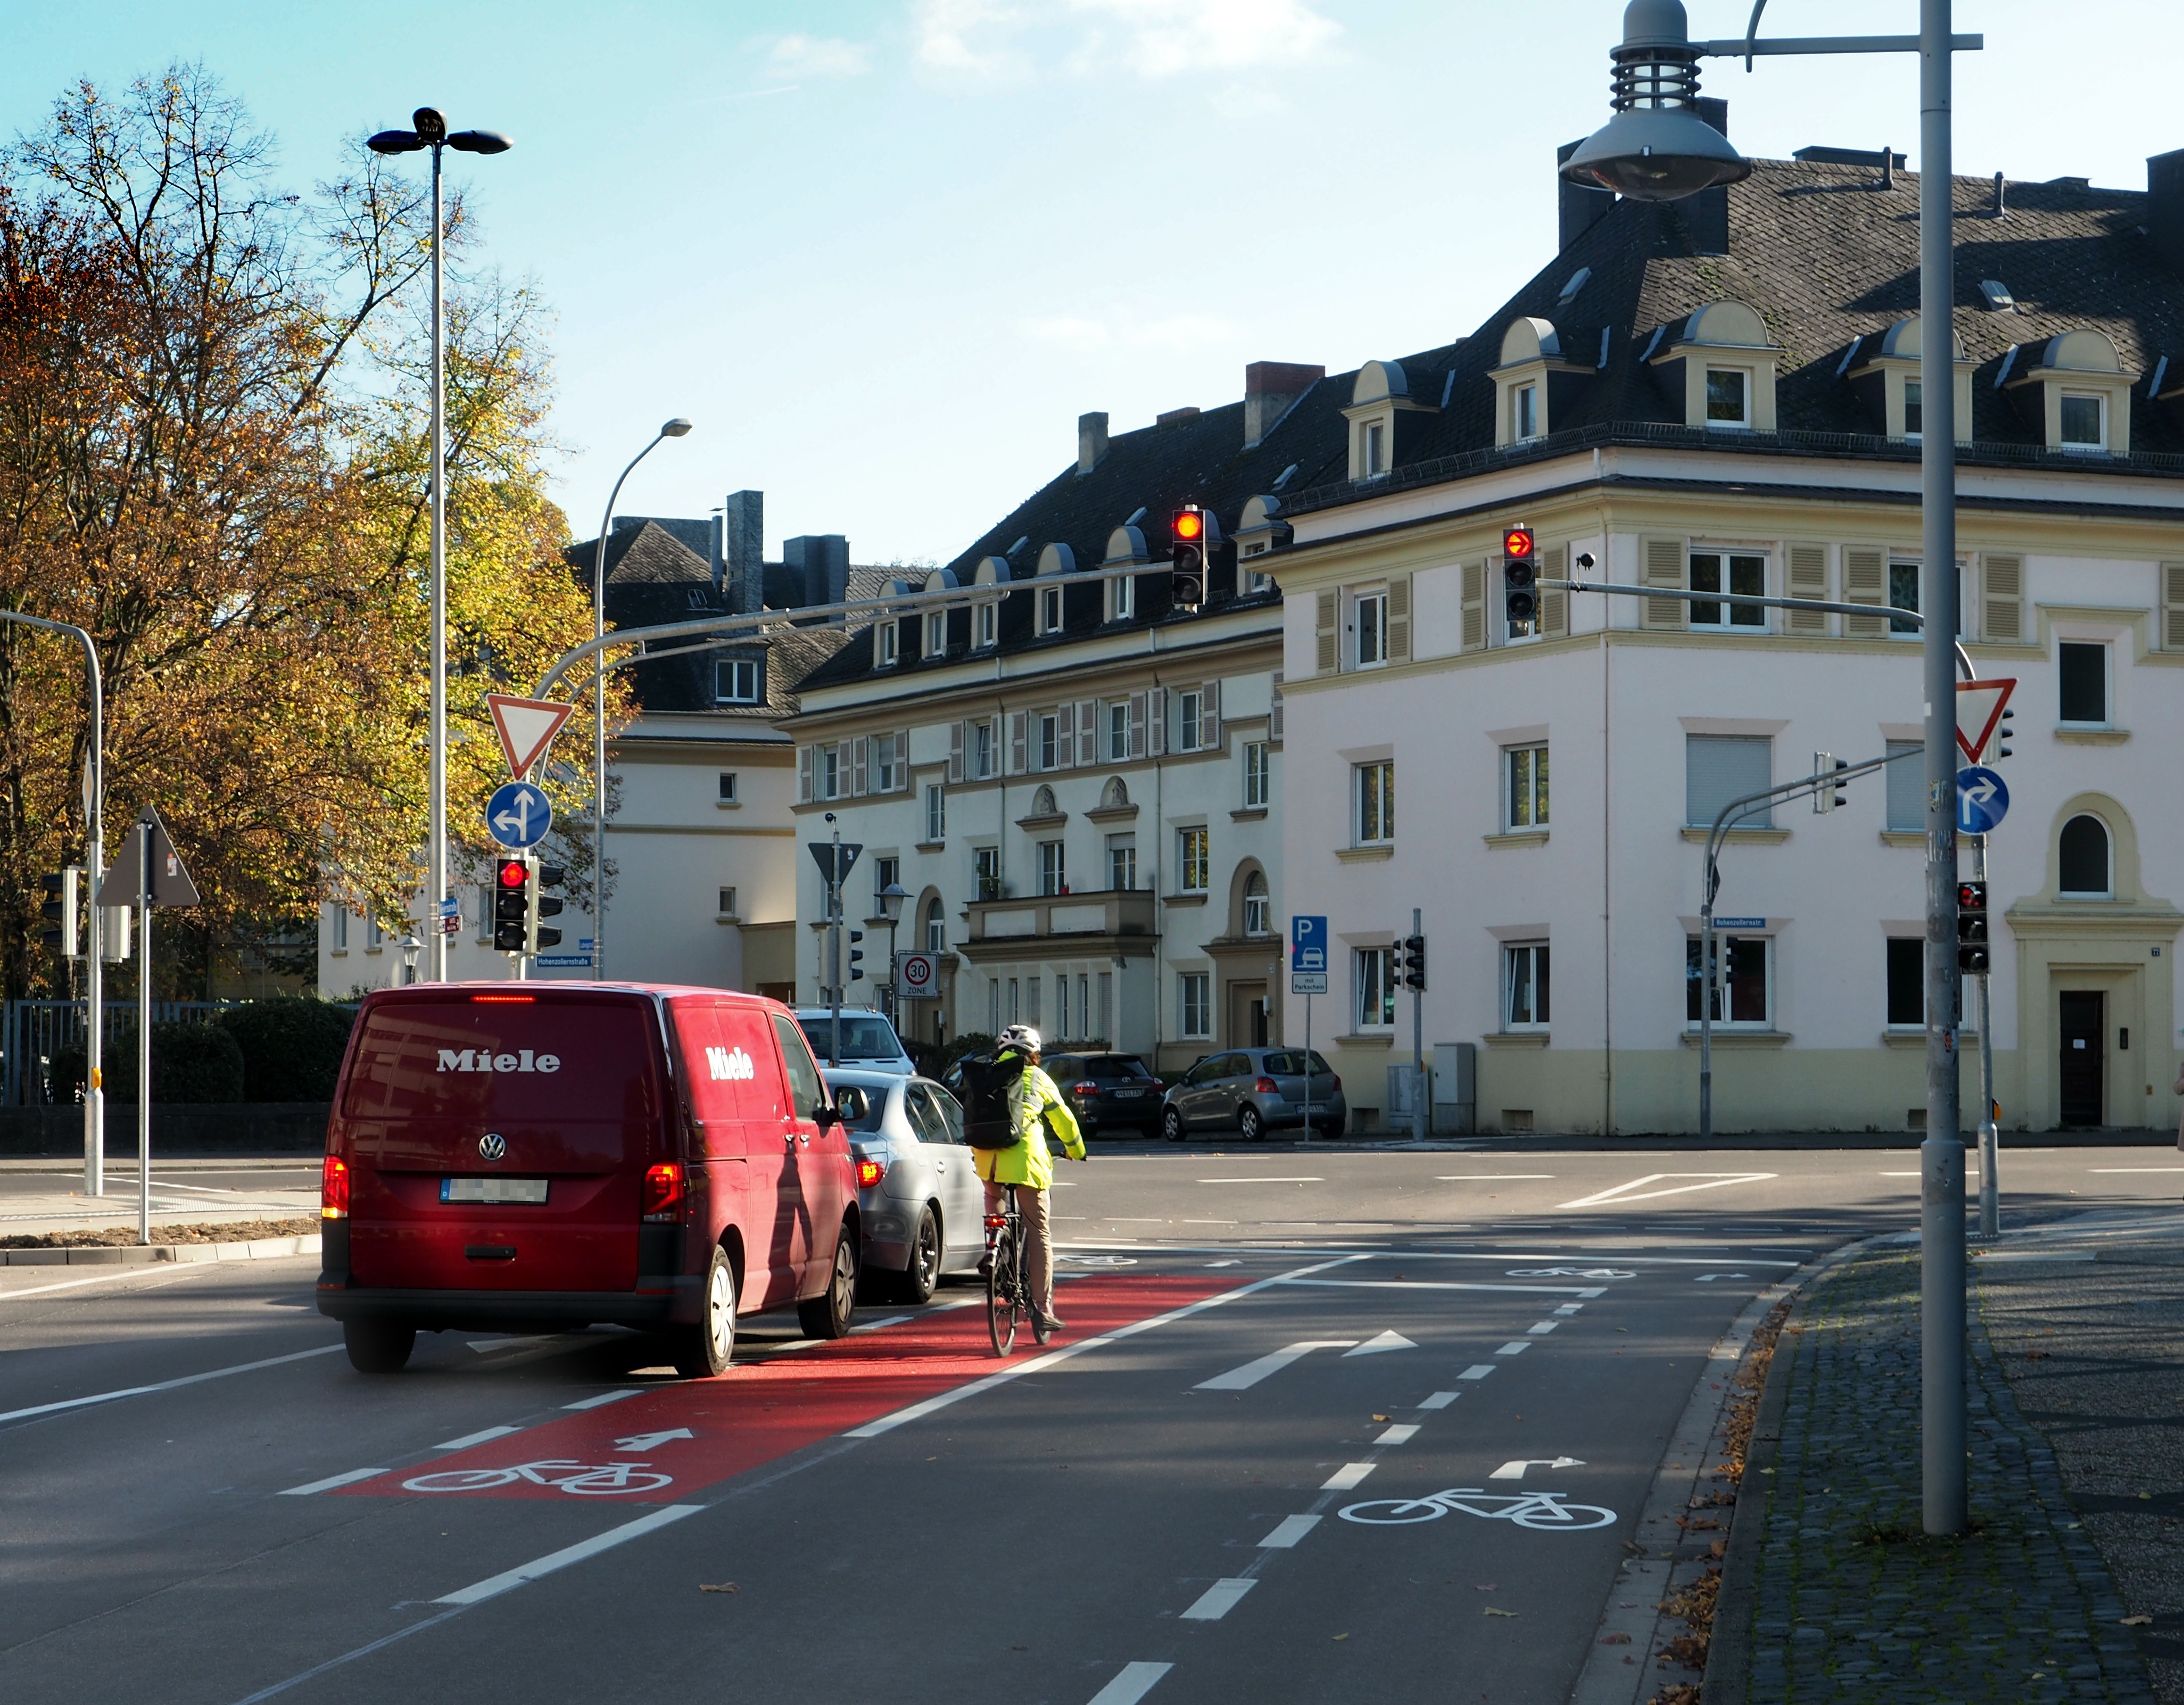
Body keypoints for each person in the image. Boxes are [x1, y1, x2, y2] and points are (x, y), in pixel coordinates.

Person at [976, 1024, 1084, 1333]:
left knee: (994, 1205)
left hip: (987, 1159)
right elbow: (1064, 1119)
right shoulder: (1038, 1078)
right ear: (1034, 1055)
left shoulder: (986, 1075)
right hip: (1027, 1163)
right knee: (1039, 1231)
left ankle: (993, 1249)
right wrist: (1076, 1150)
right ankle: (1042, 1307)